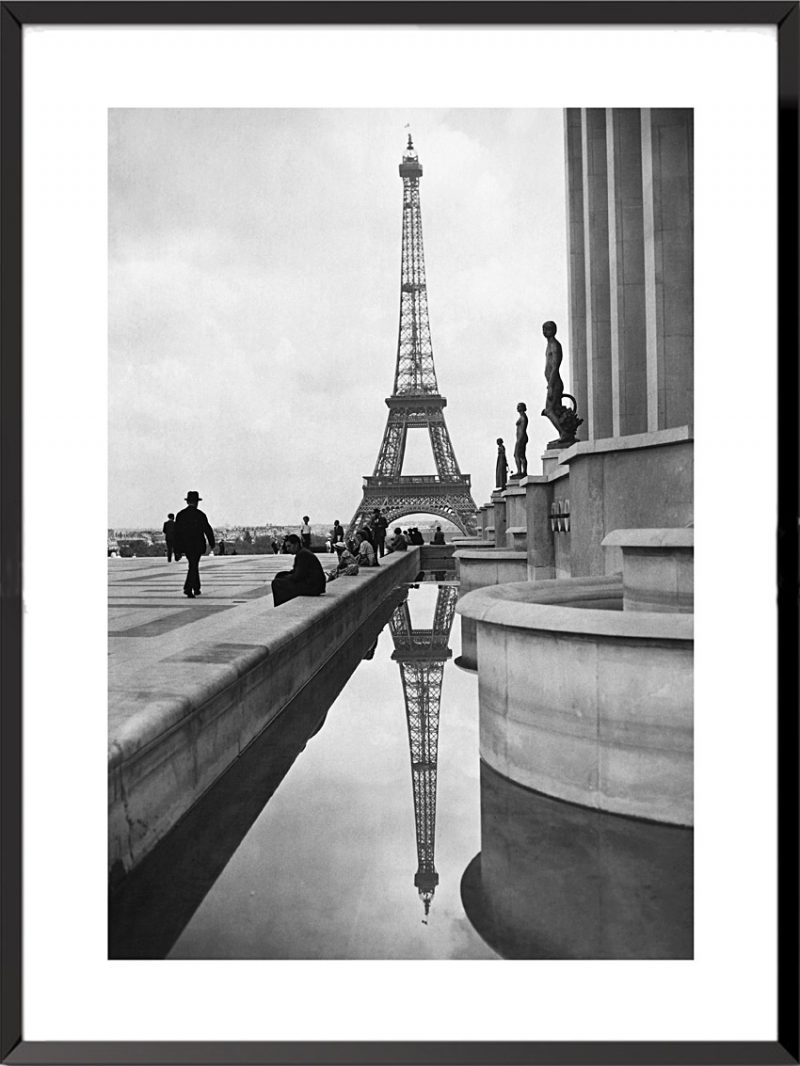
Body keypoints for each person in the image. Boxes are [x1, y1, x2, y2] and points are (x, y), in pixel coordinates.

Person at [173, 491, 215, 598]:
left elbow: (176, 533)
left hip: (186, 545)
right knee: (193, 565)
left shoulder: (181, 515)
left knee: (193, 565)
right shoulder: (200, 515)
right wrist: (212, 543)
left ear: (188, 502)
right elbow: (207, 530)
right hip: (197, 545)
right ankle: (189, 588)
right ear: (197, 502)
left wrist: (177, 549)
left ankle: (196, 587)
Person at [271, 533, 326, 607]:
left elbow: (297, 576)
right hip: (313, 585)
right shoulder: (302, 553)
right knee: (280, 576)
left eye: (289, 546)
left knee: (276, 583)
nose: (287, 549)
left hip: (313, 587)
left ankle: (280, 605)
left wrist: (285, 577)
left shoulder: (302, 554)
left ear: (296, 544)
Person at [513, 402, 528, 478]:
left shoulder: (523, 417)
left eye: (519, 406)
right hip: (521, 438)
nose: (517, 408)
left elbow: (522, 430)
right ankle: (522, 471)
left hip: (521, 438)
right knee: (520, 455)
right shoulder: (522, 417)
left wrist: (519, 440)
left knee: (518, 455)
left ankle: (520, 471)